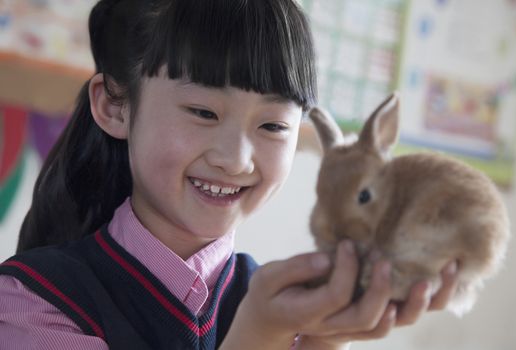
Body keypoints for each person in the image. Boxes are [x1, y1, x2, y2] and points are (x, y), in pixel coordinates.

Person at [0, 0, 459, 349]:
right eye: (203, 111)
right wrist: (259, 335)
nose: (236, 160)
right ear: (114, 105)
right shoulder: (32, 300)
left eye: (273, 125)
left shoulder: (283, 307)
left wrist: (322, 340)